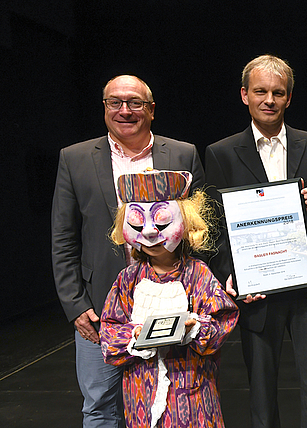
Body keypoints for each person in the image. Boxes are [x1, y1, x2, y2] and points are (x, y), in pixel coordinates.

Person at [51, 75, 205, 427]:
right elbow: (63, 237)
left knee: (172, 404)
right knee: (101, 408)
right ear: (104, 108)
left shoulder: (182, 154)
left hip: (173, 303)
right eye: (115, 102)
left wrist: (197, 297)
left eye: (135, 103)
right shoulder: (74, 159)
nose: (125, 111)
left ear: (151, 110)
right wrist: (75, 305)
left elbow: (198, 231)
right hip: (102, 309)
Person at [204, 54, 307, 428]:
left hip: (306, 284)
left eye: (278, 93)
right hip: (256, 288)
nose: (269, 100)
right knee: (261, 388)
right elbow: (213, 227)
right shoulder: (220, 153)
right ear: (244, 95)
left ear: (289, 98)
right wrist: (229, 275)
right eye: (261, 91)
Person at [99, 169, 239, 428]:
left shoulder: (197, 274)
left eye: (162, 223)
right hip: (141, 391)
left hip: (192, 390)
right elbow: (109, 335)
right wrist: (136, 334)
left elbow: (221, 321)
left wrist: (195, 326)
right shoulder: (127, 279)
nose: (151, 233)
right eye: (138, 224)